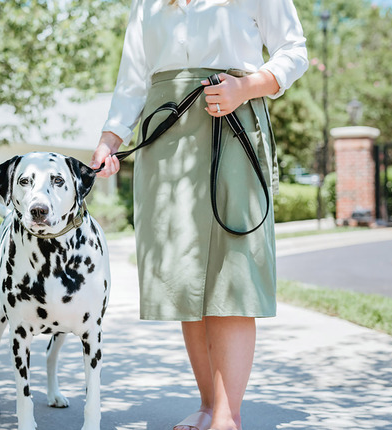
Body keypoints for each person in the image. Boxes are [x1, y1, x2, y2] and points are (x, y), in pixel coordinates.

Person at [90, 0, 308, 429]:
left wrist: (247, 87)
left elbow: (294, 51)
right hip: (166, 138)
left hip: (234, 124)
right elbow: (132, 80)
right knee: (188, 279)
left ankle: (228, 416)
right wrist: (108, 140)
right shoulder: (147, 4)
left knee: (232, 274)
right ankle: (209, 406)